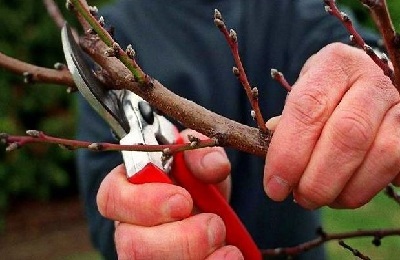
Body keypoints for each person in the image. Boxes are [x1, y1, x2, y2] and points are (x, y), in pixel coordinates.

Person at [76, 1, 400, 259]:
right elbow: (106, 206)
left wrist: (373, 82)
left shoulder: (294, 8)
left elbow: (364, 55)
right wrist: (141, 225)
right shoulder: (110, 36)